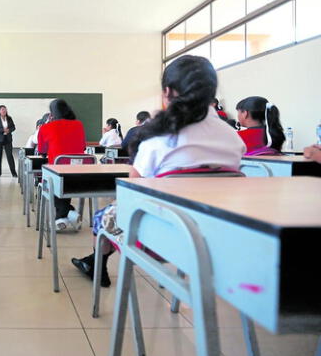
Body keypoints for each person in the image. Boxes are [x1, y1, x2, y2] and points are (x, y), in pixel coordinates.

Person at [74, 55, 246, 287]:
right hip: (217, 241)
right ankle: (94, 261)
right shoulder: (233, 139)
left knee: (103, 216)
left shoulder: (160, 140)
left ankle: (97, 264)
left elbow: (129, 194)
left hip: (161, 240)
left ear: (167, 92)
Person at [37, 99, 86, 231]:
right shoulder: (79, 125)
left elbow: (42, 151)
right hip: (80, 176)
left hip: (57, 175)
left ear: (52, 114)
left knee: (50, 180)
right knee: (63, 176)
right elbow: (83, 146)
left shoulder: (46, 127)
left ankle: (64, 215)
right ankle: (66, 214)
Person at [0, 105, 18, 177]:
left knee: (10, 156)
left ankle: (14, 173)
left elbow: (13, 127)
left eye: (5, 109)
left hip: (8, 139)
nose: (4, 111)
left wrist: (9, 130)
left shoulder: (9, 118)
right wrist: (3, 130)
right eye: (2, 110)